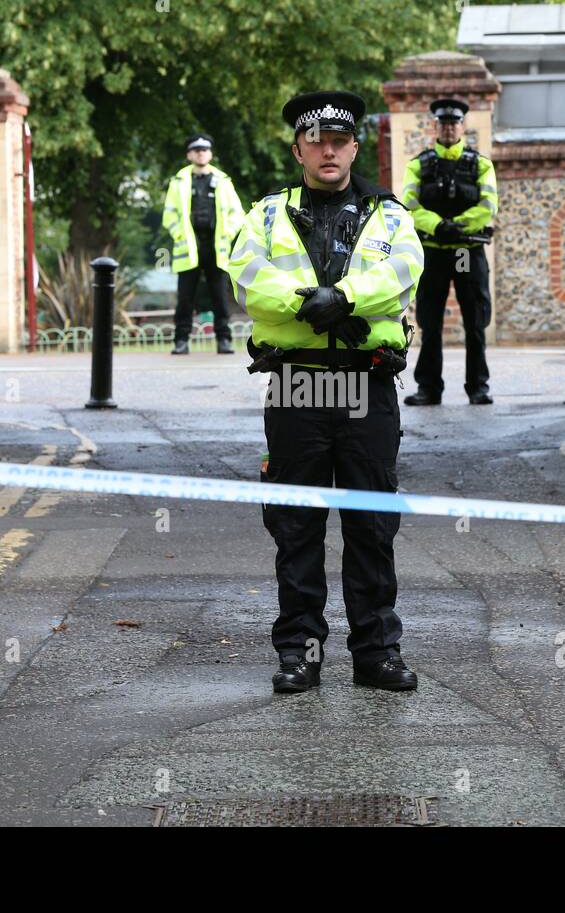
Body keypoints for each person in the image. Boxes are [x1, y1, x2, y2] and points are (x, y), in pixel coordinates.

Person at [226, 90, 424, 694]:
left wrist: (344, 299)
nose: (328, 150)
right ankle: (300, 654)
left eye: (339, 140)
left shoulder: (390, 215)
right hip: (296, 383)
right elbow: (247, 275)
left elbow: (402, 272)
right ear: (298, 150)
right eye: (316, 141)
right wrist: (301, 303)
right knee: (296, 525)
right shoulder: (265, 215)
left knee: (371, 525)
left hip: (366, 384)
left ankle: (376, 653)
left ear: (355, 147)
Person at [400, 98, 499, 405]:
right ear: (436, 126)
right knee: (430, 323)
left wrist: (458, 225)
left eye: (453, 123)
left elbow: (488, 205)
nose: (448, 128)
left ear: (461, 126)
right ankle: (429, 388)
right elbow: (410, 205)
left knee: (475, 323)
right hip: (434, 251)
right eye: (443, 123)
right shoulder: (419, 164)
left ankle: (478, 387)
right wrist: (439, 225)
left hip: (467, 251)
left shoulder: (480, 164)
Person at [162, 133, 245, 354]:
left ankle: (224, 340)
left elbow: (238, 214)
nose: (201, 153)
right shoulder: (178, 182)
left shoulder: (223, 181)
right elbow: (168, 216)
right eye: (196, 150)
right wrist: (180, 235)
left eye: (204, 149)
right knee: (185, 298)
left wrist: (227, 234)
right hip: (188, 247)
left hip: (216, 246)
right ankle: (181, 341)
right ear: (189, 154)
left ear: (210, 153)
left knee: (220, 296)